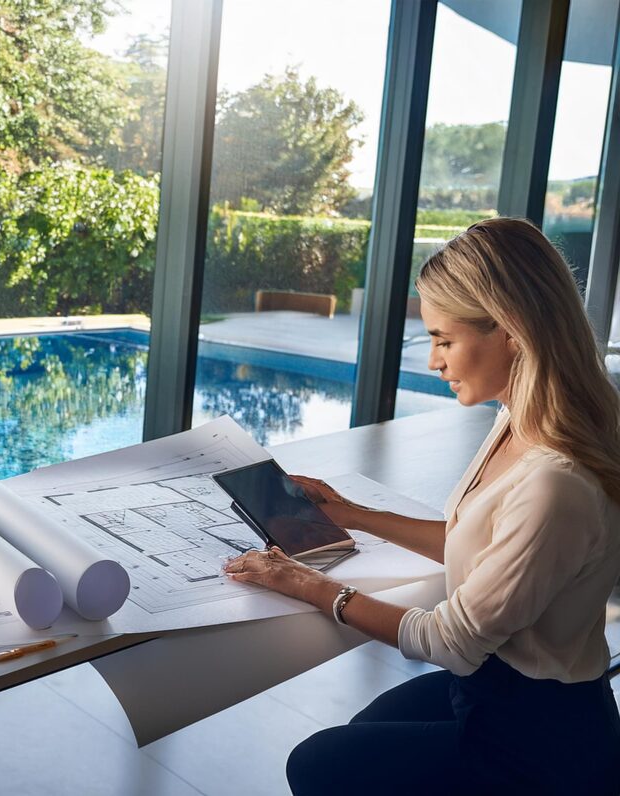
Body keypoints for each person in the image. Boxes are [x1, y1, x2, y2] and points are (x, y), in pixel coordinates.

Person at [223, 217, 620, 795]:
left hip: (538, 735)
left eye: (444, 339)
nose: (434, 360)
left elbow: (448, 642)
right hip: (495, 684)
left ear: (511, 330)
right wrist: (352, 514)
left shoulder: (556, 482)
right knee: (363, 732)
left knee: (317, 765)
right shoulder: (519, 418)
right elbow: (482, 547)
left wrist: (304, 582)